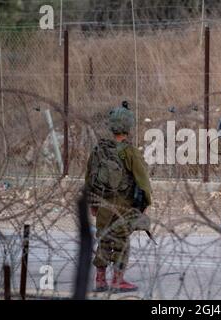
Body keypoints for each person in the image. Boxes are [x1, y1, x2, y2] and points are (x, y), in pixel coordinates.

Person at [85, 102, 152, 292]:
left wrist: (93, 203)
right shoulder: (130, 152)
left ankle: (100, 279)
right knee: (121, 239)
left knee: (104, 239)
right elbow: (143, 180)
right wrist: (145, 203)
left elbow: (89, 176)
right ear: (128, 127)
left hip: (103, 203)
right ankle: (118, 279)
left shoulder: (100, 149)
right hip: (124, 205)